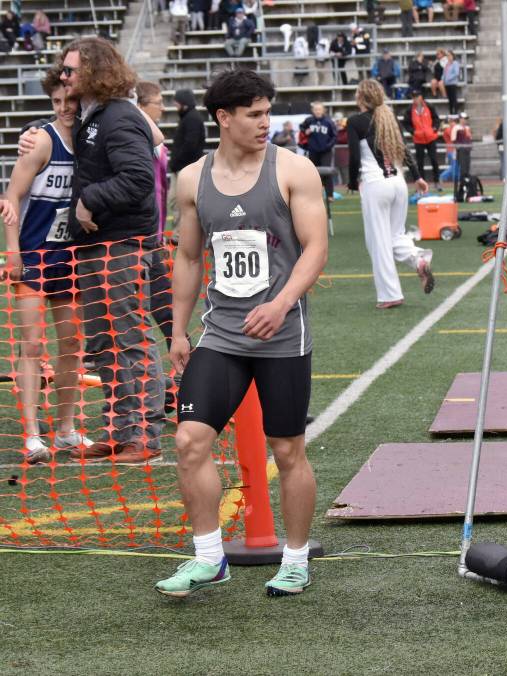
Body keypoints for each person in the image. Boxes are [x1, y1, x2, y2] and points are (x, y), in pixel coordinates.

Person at [155, 69, 328, 597]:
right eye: (254, 114)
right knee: (189, 441)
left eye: (267, 112)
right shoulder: (191, 179)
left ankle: (295, 560)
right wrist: (178, 332)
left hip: (282, 335)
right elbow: (187, 257)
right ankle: (210, 558)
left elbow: (316, 248)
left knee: (288, 449)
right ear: (223, 119)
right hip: (221, 335)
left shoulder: (294, 170)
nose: (265, 123)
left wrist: (280, 304)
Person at [57, 37, 166, 464]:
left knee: (130, 337)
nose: (64, 76)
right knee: (104, 341)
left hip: (122, 244)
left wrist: (89, 200)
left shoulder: (119, 116)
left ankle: (143, 435)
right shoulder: (95, 116)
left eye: (71, 70)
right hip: (95, 245)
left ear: (95, 72)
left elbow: (139, 179)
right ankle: (120, 430)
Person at [0, 68, 93, 464]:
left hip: (72, 257)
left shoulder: (95, 142)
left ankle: (68, 429)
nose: (64, 108)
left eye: (70, 100)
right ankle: (33, 436)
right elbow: (12, 197)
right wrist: (13, 252)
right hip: (36, 255)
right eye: (56, 102)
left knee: (72, 345)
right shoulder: (40, 141)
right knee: (32, 345)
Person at [347, 79, 434, 309]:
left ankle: (390, 295)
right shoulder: (389, 117)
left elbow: (355, 157)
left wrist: (352, 182)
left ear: (361, 98)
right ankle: (419, 259)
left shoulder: (355, 121)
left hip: (376, 185)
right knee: (395, 236)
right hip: (398, 183)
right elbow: (404, 149)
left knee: (379, 242)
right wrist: (418, 177)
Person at [135, 81, 175, 353]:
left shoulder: (158, 144)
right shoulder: (135, 136)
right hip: (134, 238)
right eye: (157, 102)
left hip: (153, 237)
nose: (162, 107)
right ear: (141, 106)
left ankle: (183, 357)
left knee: (163, 303)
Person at [168, 88, 206, 226]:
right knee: (176, 202)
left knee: (178, 202)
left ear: (184, 103)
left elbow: (190, 145)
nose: (175, 106)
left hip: (184, 169)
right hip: (182, 168)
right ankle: (178, 235)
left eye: (177, 102)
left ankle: (179, 236)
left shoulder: (192, 119)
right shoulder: (189, 118)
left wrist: (176, 163)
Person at [402, 90, 441, 190]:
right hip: (418, 140)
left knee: (434, 160)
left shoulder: (429, 106)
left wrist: (434, 129)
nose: (415, 99)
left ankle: (437, 182)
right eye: (413, 97)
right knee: (420, 163)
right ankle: (422, 183)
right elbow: (405, 123)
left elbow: (436, 119)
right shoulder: (409, 109)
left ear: (421, 97)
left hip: (431, 138)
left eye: (417, 96)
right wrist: (413, 132)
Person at [299, 101, 336, 200]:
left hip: (325, 151)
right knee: (313, 173)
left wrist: (328, 146)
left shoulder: (329, 122)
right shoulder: (309, 120)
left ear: (323, 110)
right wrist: (305, 131)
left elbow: (334, 136)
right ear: (313, 111)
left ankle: (330, 195)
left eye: (319, 109)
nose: (318, 111)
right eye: (316, 109)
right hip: (313, 151)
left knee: (327, 173)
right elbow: (301, 126)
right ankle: (314, 194)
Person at [442, 49, 461, 114]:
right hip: (447, 84)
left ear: (452, 56)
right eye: (447, 56)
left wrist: (448, 78)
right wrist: (443, 79)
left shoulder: (455, 63)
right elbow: (444, 73)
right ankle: (451, 112)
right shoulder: (447, 64)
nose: (448, 57)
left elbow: (456, 73)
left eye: (449, 55)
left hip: (452, 83)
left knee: (453, 98)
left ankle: (455, 111)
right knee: (450, 99)